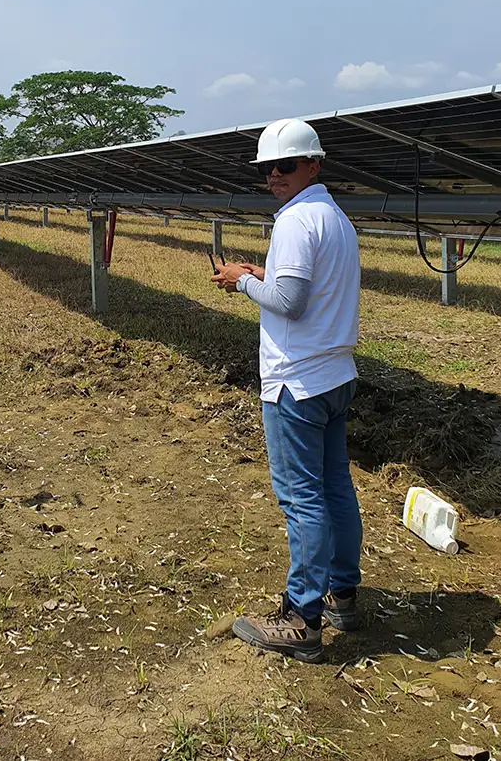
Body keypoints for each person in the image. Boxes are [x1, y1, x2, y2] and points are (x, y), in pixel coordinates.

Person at [211, 117, 363, 664]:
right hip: (335, 374)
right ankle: (344, 595)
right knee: (336, 488)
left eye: (285, 165)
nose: (274, 175)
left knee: (302, 499)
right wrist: (265, 270)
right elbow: (306, 286)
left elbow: (292, 303)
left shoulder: (296, 220)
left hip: (296, 382)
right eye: (267, 167)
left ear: (313, 165)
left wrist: (242, 281)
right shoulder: (334, 217)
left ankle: (302, 619)